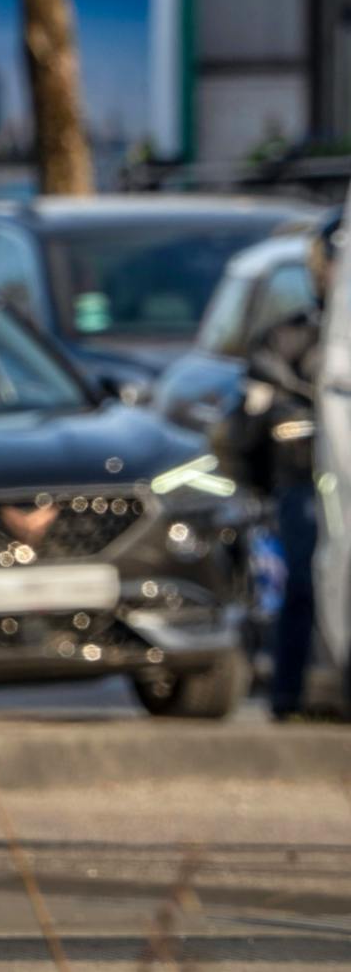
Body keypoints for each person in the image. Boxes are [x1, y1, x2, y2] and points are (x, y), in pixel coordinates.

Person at [218, 210, 340, 720]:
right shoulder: (287, 341)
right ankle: (287, 693)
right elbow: (245, 428)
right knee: (307, 579)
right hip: (307, 481)